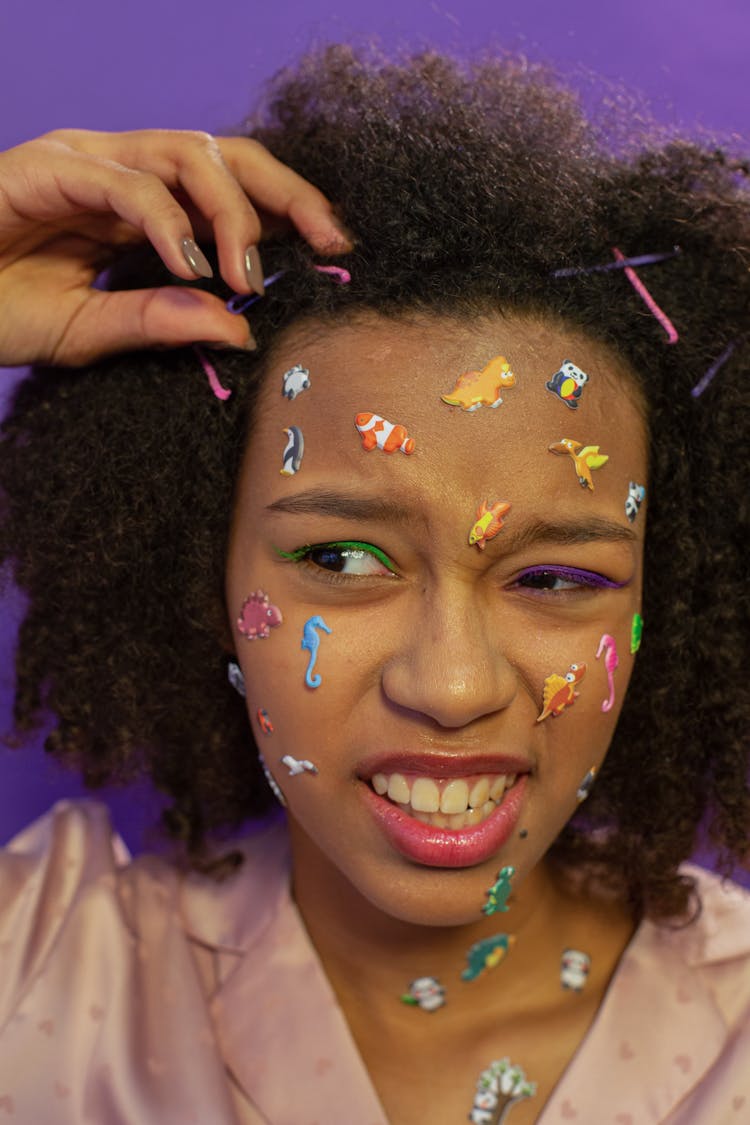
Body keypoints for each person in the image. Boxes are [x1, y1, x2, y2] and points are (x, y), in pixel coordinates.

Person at [0, 44, 748, 1125]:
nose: (450, 687)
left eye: (553, 576)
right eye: (343, 560)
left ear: (657, 610)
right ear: (202, 574)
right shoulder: (36, 974)